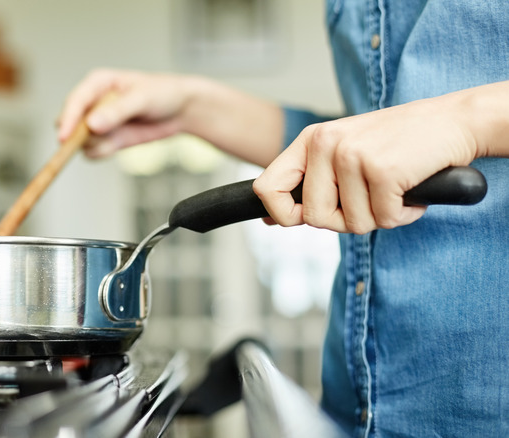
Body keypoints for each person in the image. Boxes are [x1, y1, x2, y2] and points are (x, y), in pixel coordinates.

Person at [56, 1, 509, 437]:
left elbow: (429, 130)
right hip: (358, 405)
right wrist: (191, 106)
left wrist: (468, 121)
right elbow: (361, 149)